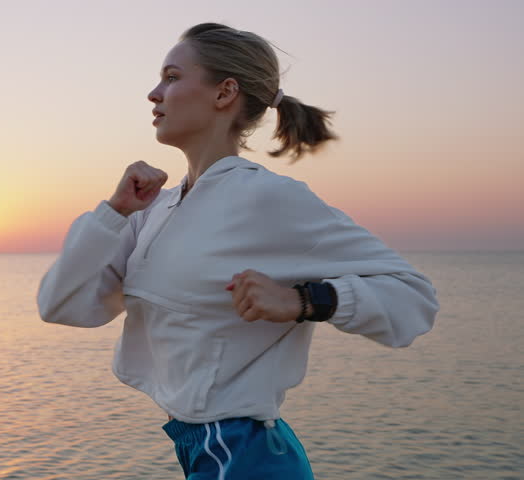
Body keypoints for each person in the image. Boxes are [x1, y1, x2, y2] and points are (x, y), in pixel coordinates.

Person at [36, 22, 439, 480]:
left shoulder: (268, 198)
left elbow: (414, 299)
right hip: (201, 450)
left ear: (225, 92)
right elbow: (59, 305)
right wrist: (115, 212)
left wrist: (304, 301)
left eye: (171, 77)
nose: (153, 93)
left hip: (247, 457)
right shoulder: (153, 209)